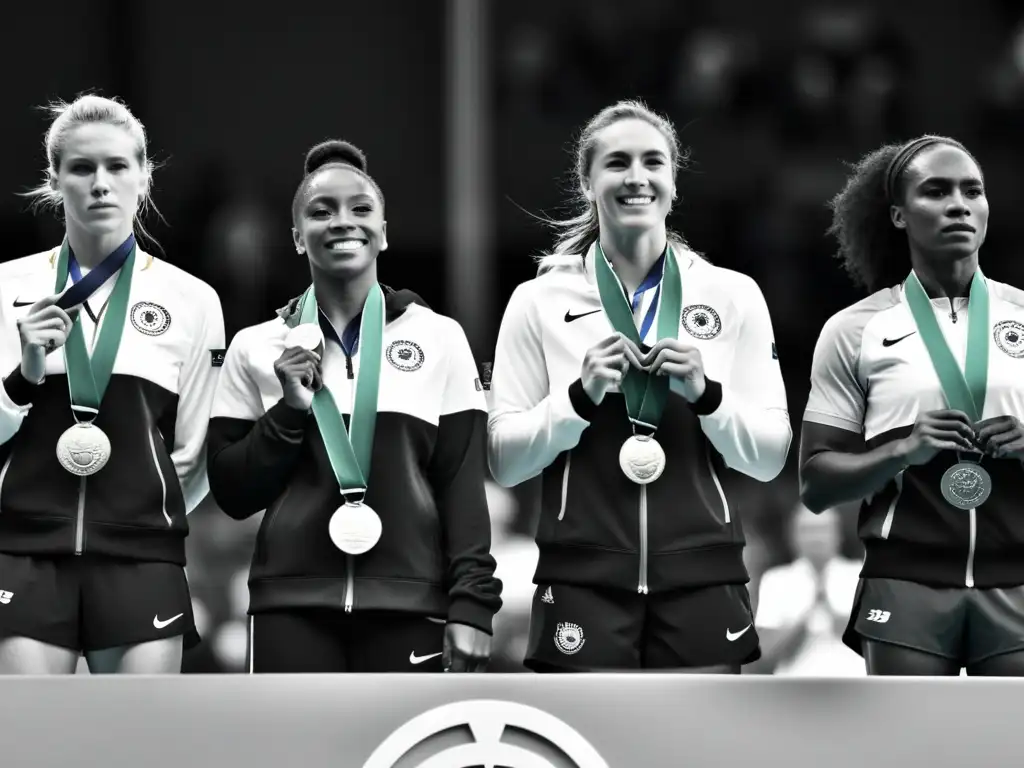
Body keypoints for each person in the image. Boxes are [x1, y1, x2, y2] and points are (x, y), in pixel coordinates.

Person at [486, 100, 792, 673]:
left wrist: (708, 395)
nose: (636, 177)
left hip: (704, 574)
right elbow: (504, 461)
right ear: (587, 181)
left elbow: (772, 456)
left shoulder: (733, 295)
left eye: (653, 162)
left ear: (673, 183)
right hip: (581, 577)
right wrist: (576, 399)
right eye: (617, 162)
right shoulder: (538, 301)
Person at [207, 140, 502, 673]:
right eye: (321, 212)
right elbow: (232, 492)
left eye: (361, 209)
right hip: (289, 607)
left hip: (412, 603)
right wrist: (290, 412)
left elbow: (460, 483)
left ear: (384, 232)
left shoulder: (440, 339)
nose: (343, 222)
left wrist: (473, 605)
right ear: (298, 238)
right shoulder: (255, 346)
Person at [0, 94, 225, 674]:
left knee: (139, 752)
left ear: (144, 177)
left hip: (141, 559)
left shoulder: (193, 300)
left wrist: (136, 511)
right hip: (23, 553)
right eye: (81, 168)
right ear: (55, 179)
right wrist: (23, 376)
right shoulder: (7, 290)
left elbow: (194, 453)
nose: (100, 183)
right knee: (33, 748)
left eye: (117, 166)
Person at [802, 135, 1024, 676]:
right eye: (936, 191)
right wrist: (903, 450)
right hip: (904, 586)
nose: (958, 204)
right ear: (899, 216)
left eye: (973, 190)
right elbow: (814, 484)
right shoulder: (854, 330)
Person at [755, 504, 864, 676]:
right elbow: (766, 652)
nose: (816, 538)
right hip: (793, 691)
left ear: (838, 534)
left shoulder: (860, 575)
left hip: (852, 689)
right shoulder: (776, 580)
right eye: (808, 530)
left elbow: (873, 644)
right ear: (793, 536)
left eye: (822, 529)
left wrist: (830, 610)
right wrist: (805, 616)